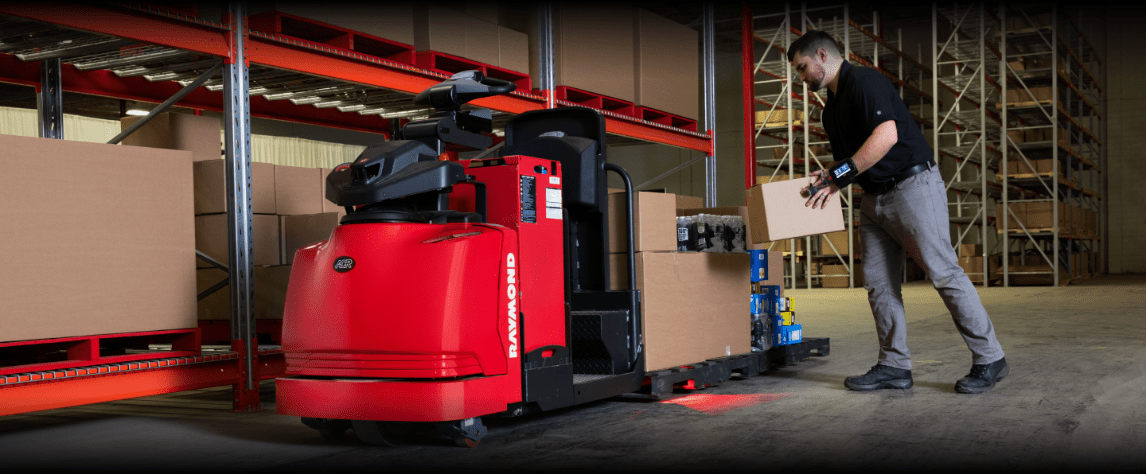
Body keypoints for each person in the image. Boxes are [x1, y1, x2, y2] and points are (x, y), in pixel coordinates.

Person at [788, 31, 1008, 394]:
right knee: (878, 284)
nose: (802, 77)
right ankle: (894, 365)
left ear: (822, 55)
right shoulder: (831, 110)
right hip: (874, 199)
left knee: (943, 273)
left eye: (802, 68)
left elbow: (886, 136)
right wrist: (831, 175)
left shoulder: (864, 81)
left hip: (911, 188)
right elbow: (855, 158)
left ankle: (990, 357)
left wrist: (839, 176)